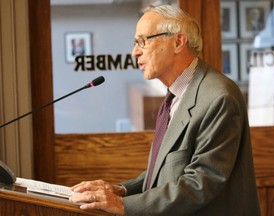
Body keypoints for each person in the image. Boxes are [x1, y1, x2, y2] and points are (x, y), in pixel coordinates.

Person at [69, 5, 261, 216]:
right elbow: (165, 171)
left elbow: (200, 183)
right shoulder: (175, 95)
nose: (135, 52)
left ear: (178, 42)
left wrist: (123, 205)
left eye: (143, 41)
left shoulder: (218, 98)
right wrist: (122, 191)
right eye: (135, 43)